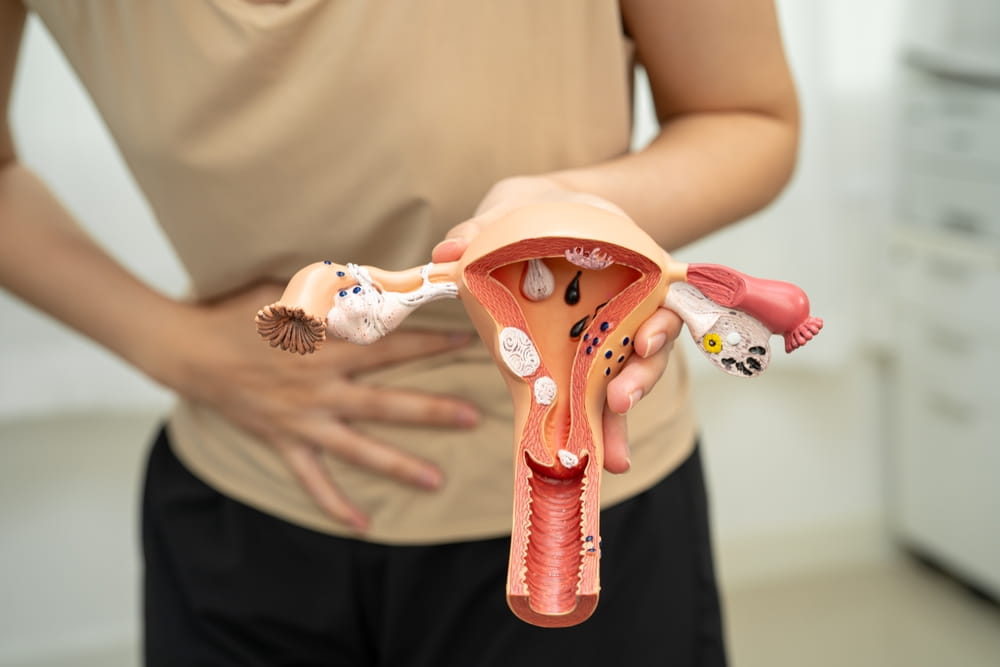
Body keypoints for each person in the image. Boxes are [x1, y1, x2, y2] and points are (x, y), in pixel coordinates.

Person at [0, 1, 799, 665]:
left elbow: (747, 114)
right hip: (245, 492)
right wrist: (178, 349)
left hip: (604, 522)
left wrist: (567, 211)